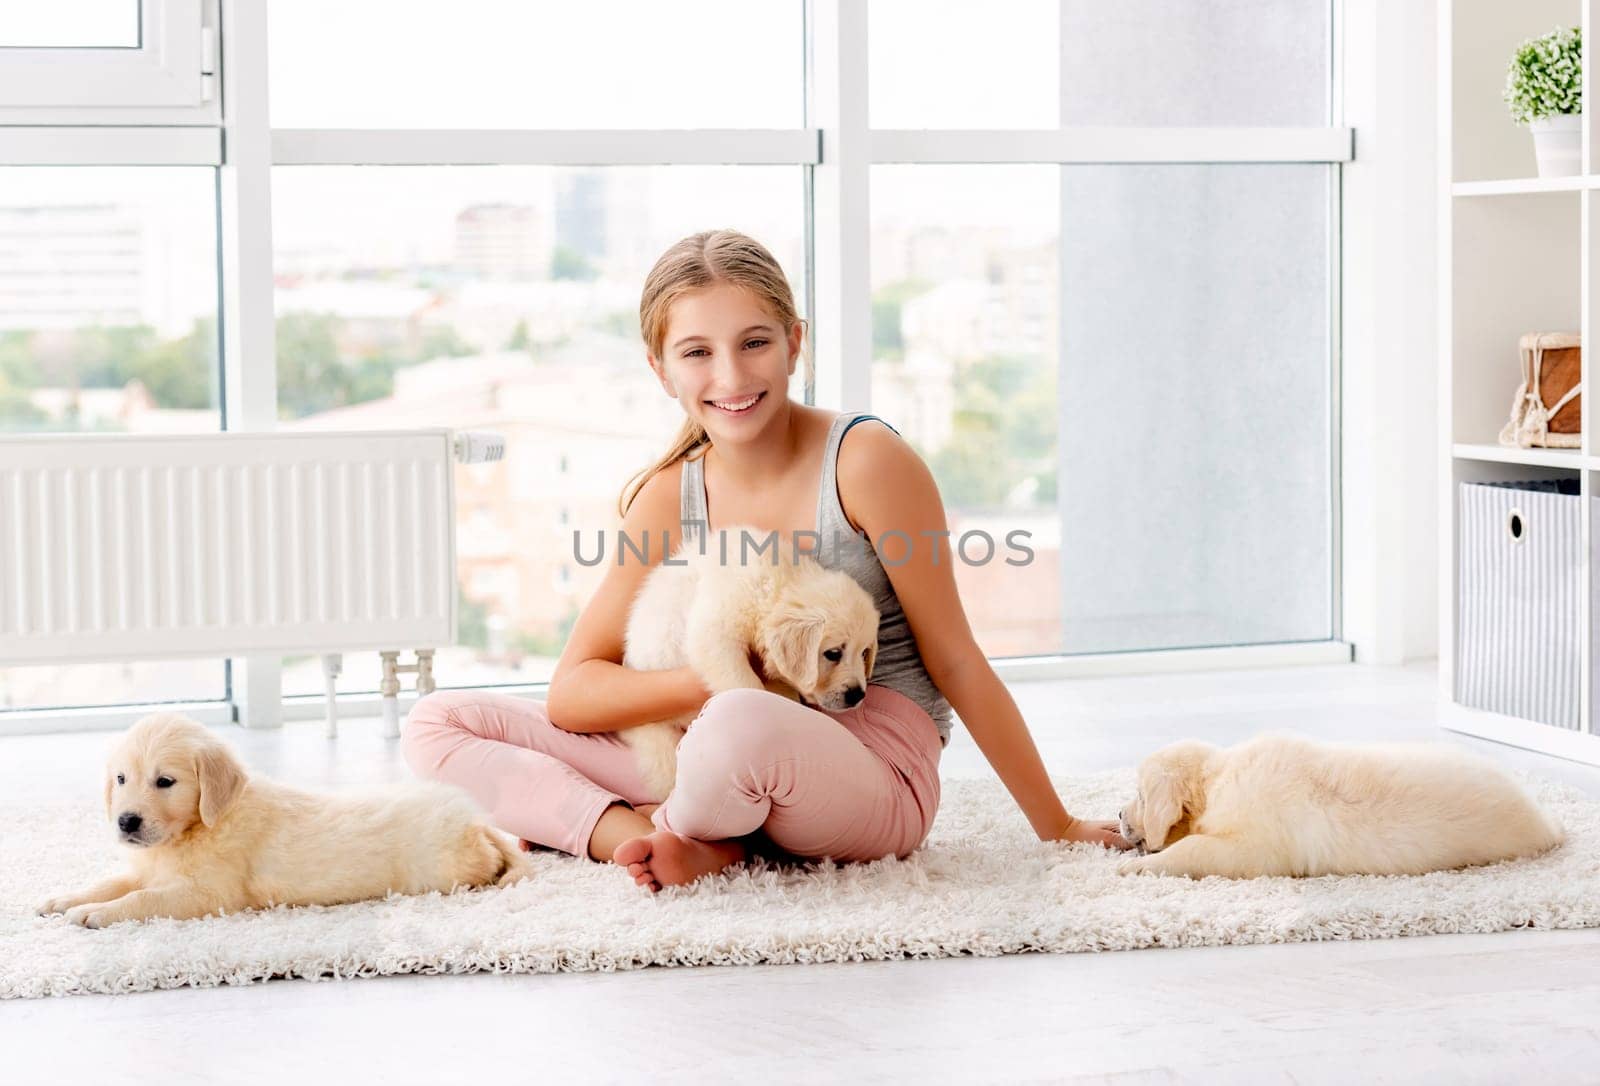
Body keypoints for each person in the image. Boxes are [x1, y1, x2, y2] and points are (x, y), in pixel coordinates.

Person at [401, 229, 1131, 892]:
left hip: (870, 764)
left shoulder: (866, 462)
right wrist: (717, 680)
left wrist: (1056, 824)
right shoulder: (667, 499)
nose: (730, 375)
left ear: (793, 342)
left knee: (738, 727)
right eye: (697, 353)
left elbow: (957, 659)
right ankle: (644, 836)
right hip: (699, 748)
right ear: (661, 370)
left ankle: (696, 828)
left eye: (754, 343)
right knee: (436, 722)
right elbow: (573, 692)